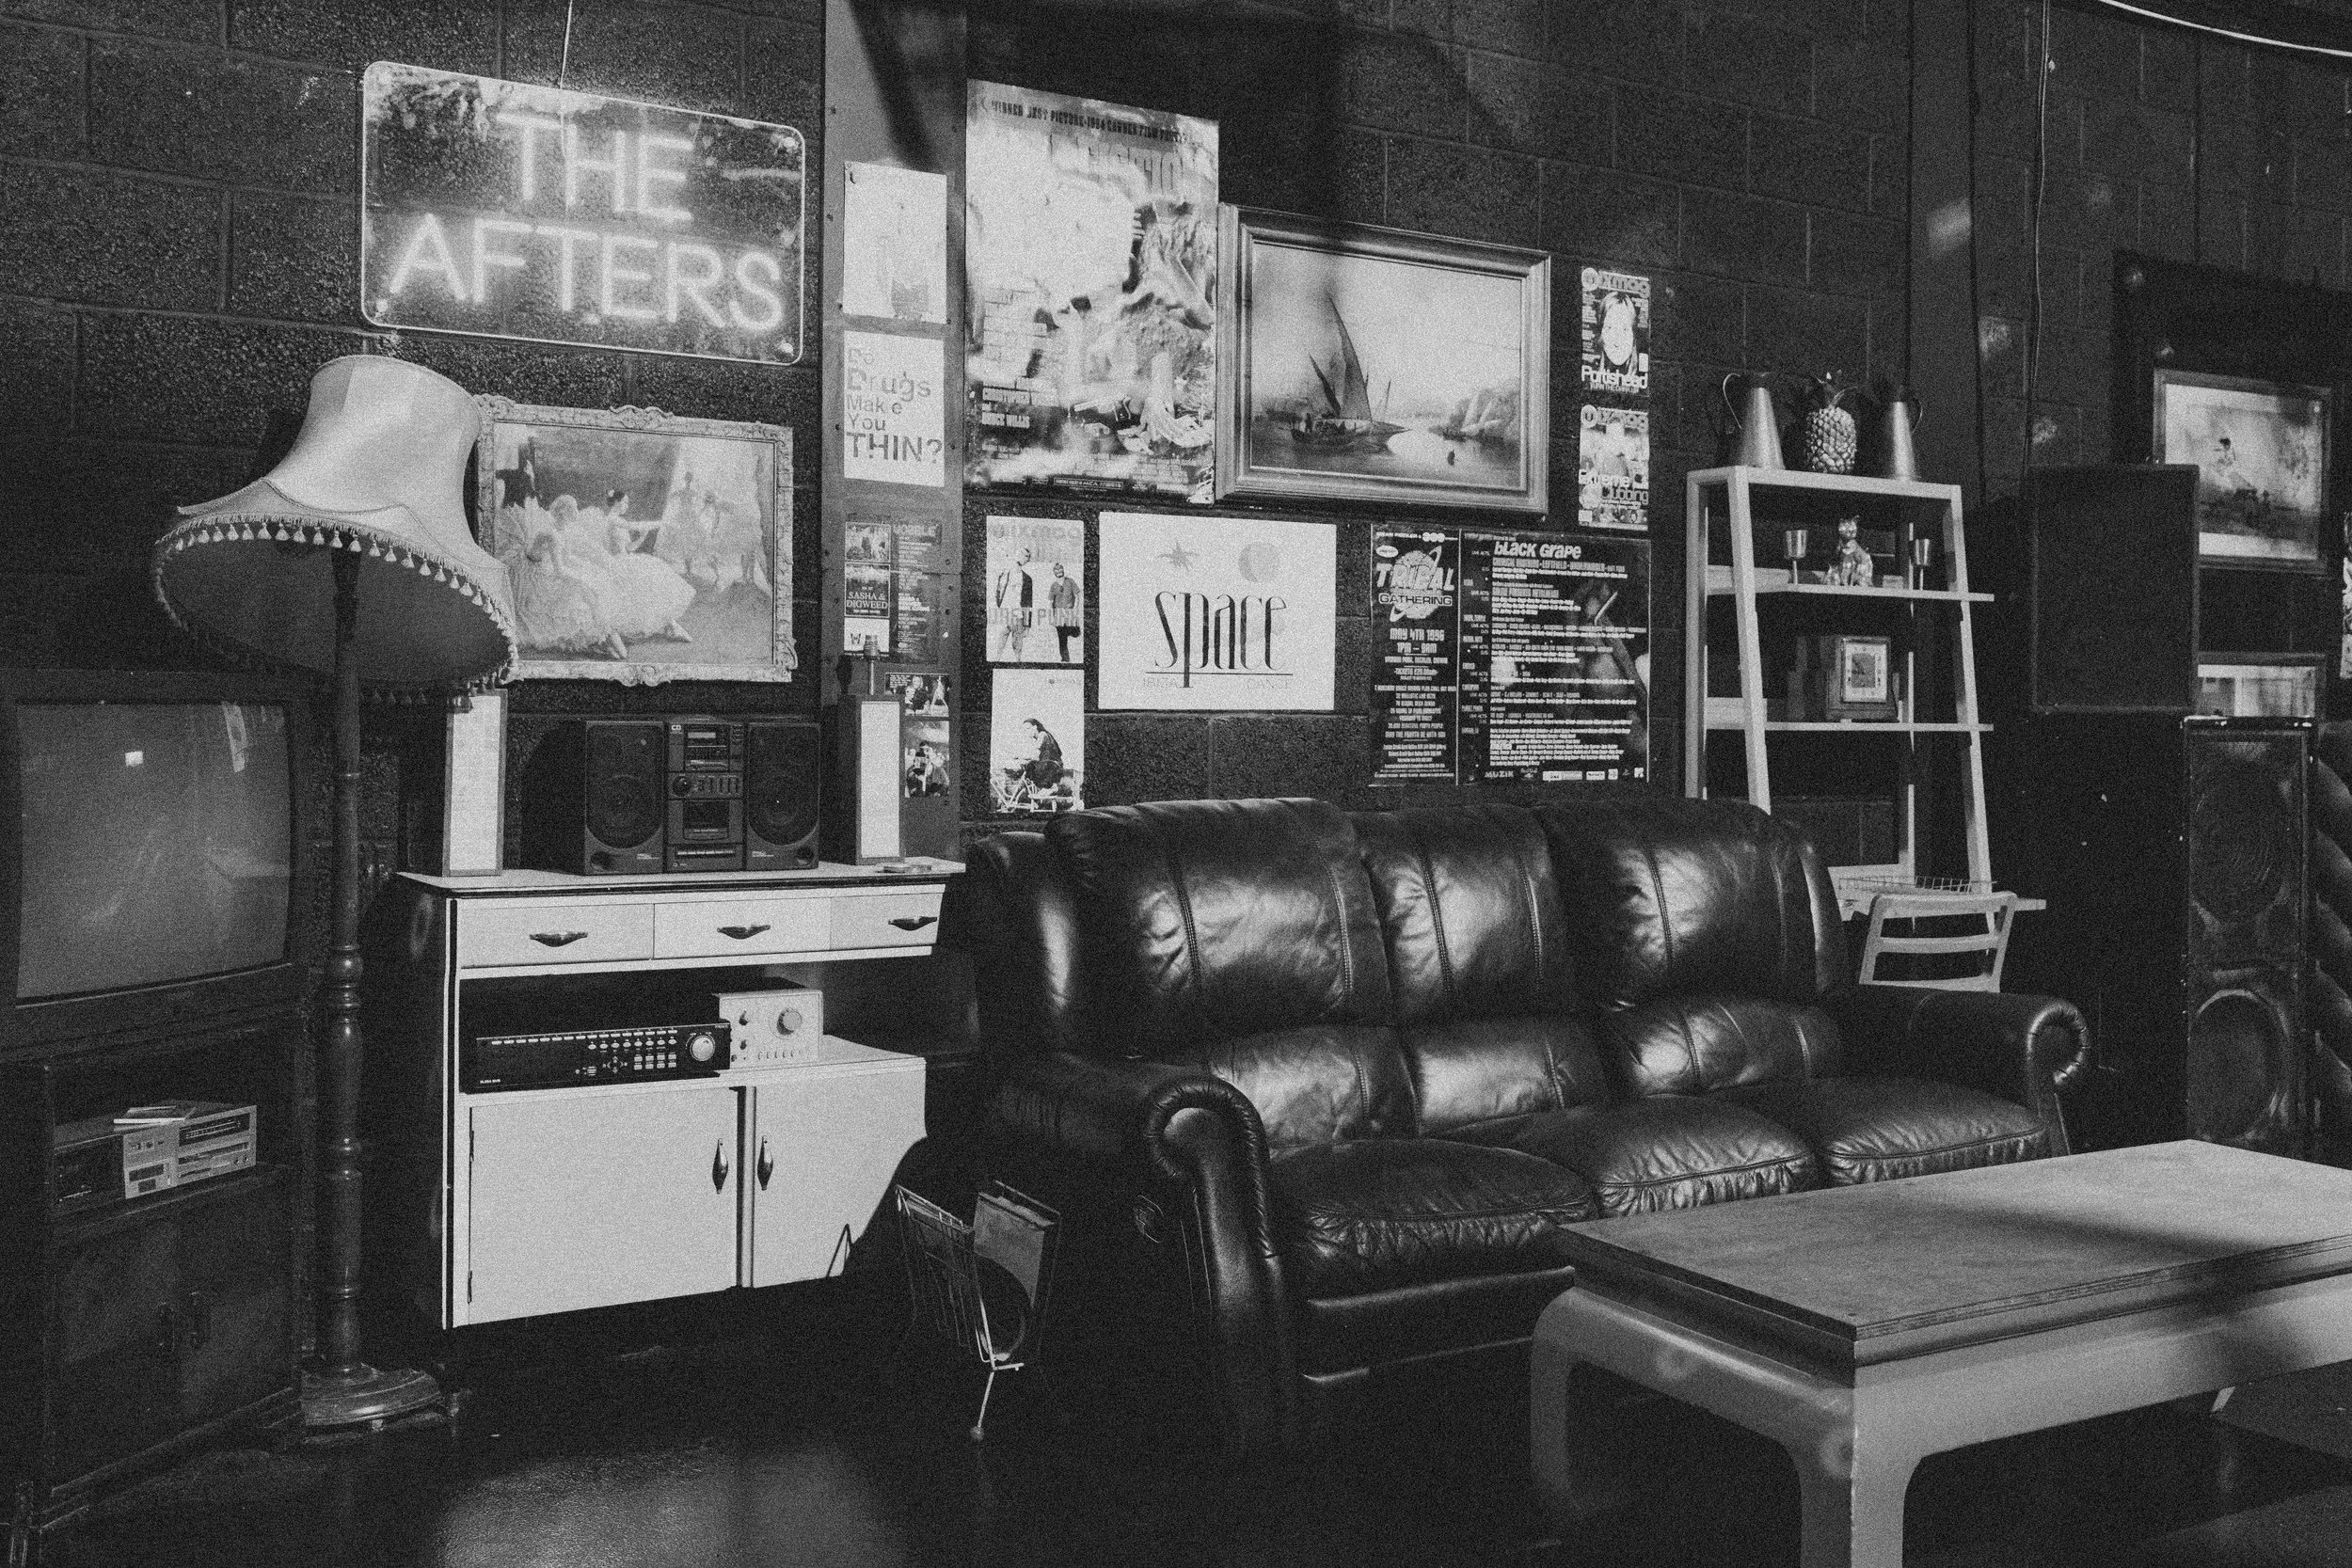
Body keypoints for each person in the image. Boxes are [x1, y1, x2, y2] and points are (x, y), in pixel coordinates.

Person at [993, 545, 1036, 659]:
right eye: (1021, 554)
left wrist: (1027, 626)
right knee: (1001, 641)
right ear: (1016, 554)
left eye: (1026, 556)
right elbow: (998, 592)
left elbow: (1028, 603)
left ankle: (1018, 664)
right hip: (1004, 613)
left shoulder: (1027, 579)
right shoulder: (1005, 573)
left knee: (1017, 646)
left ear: (1027, 560)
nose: (1023, 557)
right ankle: (996, 661)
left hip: (1018, 616)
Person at [1047, 561, 1080, 663]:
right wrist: (1052, 617)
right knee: (1062, 638)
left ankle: (1069, 631)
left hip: (1069, 612)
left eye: (1061, 569)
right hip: (1058, 614)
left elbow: (1077, 596)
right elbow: (1050, 601)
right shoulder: (1054, 585)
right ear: (1054, 572)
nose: (1059, 571)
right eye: (1056, 570)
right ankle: (1065, 659)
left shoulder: (1070, 582)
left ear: (1063, 570)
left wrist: (1075, 609)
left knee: (1076, 633)